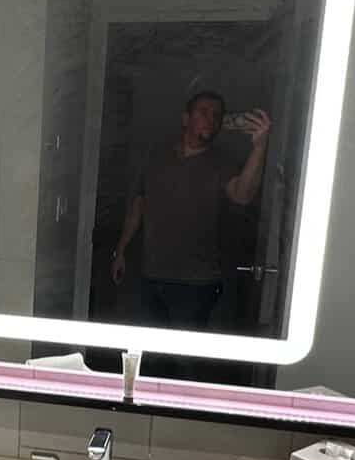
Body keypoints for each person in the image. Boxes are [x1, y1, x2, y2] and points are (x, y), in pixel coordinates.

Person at [109, 90, 271, 329]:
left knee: (185, 361)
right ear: (186, 119)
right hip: (151, 274)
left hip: (198, 282)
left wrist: (259, 147)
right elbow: (140, 203)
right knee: (150, 353)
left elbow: (242, 195)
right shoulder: (157, 155)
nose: (211, 119)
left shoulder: (222, 163)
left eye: (217, 115)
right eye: (203, 112)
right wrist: (120, 250)